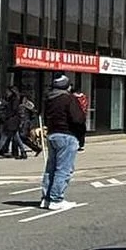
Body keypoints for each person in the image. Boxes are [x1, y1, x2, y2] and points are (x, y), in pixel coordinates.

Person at [40, 72, 87, 209]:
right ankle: (56, 199)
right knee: (64, 169)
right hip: (67, 135)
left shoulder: (49, 98)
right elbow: (78, 119)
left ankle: (46, 198)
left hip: (52, 134)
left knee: (51, 168)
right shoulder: (68, 99)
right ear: (67, 86)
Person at [0, 86, 30, 160]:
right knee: (16, 137)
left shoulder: (14, 100)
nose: (6, 93)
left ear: (11, 92)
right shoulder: (12, 99)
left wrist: (5, 116)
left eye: (8, 91)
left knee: (4, 136)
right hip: (13, 121)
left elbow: (12, 111)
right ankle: (23, 152)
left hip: (11, 121)